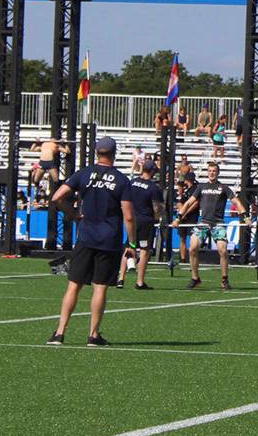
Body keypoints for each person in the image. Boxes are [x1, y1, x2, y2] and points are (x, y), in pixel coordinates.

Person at [47, 136, 136, 347]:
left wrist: (74, 213)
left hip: (85, 236)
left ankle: (59, 333)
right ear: (114, 154)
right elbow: (129, 216)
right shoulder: (122, 180)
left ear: (97, 153)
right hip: (109, 239)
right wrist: (132, 245)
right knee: (100, 287)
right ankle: (93, 335)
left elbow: (57, 197)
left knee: (74, 286)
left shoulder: (84, 174)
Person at [170, 161, 247, 291]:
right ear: (207, 172)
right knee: (192, 248)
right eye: (210, 171)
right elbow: (189, 203)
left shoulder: (223, 188)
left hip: (218, 223)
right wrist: (178, 217)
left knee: (222, 250)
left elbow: (237, 202)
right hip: (203, 222)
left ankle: (224, 279)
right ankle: (195, 278)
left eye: (214, 171)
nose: (212, 173)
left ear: (218, 173)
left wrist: (246, 216)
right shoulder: (201, 187)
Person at [118, 158, 164, 289]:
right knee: (144, 251)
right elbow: (156, 208)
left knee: (129, 247)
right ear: (153, 171)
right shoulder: (153, 187)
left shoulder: (131, 183)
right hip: (145, 222)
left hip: (131, 220)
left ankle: (121, 278)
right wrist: (157, 217)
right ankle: (140, 281)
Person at [175, 172, 199, 264]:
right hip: (183, 217)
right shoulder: (185, 190)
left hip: (192, 217)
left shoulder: (195, 189)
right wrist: (182, 211)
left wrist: (185, 213)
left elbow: (196, 203)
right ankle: (183, 259)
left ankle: (191, 258)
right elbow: (180, 202)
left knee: (192, 237)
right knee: (182, 237)